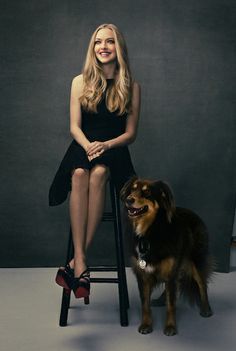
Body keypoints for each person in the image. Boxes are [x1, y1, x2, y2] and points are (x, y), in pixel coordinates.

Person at [49, 23, 141, 299]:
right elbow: (74, 127)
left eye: (109, 41)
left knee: (99, 175)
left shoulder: (131, 86)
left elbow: (131, 134)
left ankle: (77, 264)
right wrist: (89, 146)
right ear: (93, 48)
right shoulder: (79, 81)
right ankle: (81, 261)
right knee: (78, 175)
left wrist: (106, 145)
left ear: (118, 47)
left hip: (113, 148)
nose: (103, 46)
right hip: (83, 144)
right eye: (98, 42)